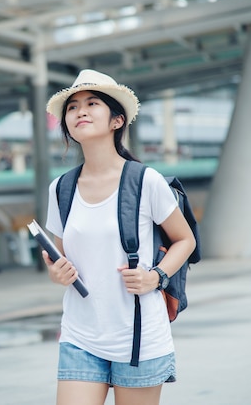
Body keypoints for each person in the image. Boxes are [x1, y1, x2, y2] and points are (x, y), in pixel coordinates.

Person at [42, 69, 196, 405]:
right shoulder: (61, 189)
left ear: (117, 120)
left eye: (92, 103)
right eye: (72, 107)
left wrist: (156, 276)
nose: (80, 111)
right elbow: (60, 256)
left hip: (138, 336)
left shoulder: (146, 181)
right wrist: (57, 272)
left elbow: (185, 240)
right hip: (80, 334)